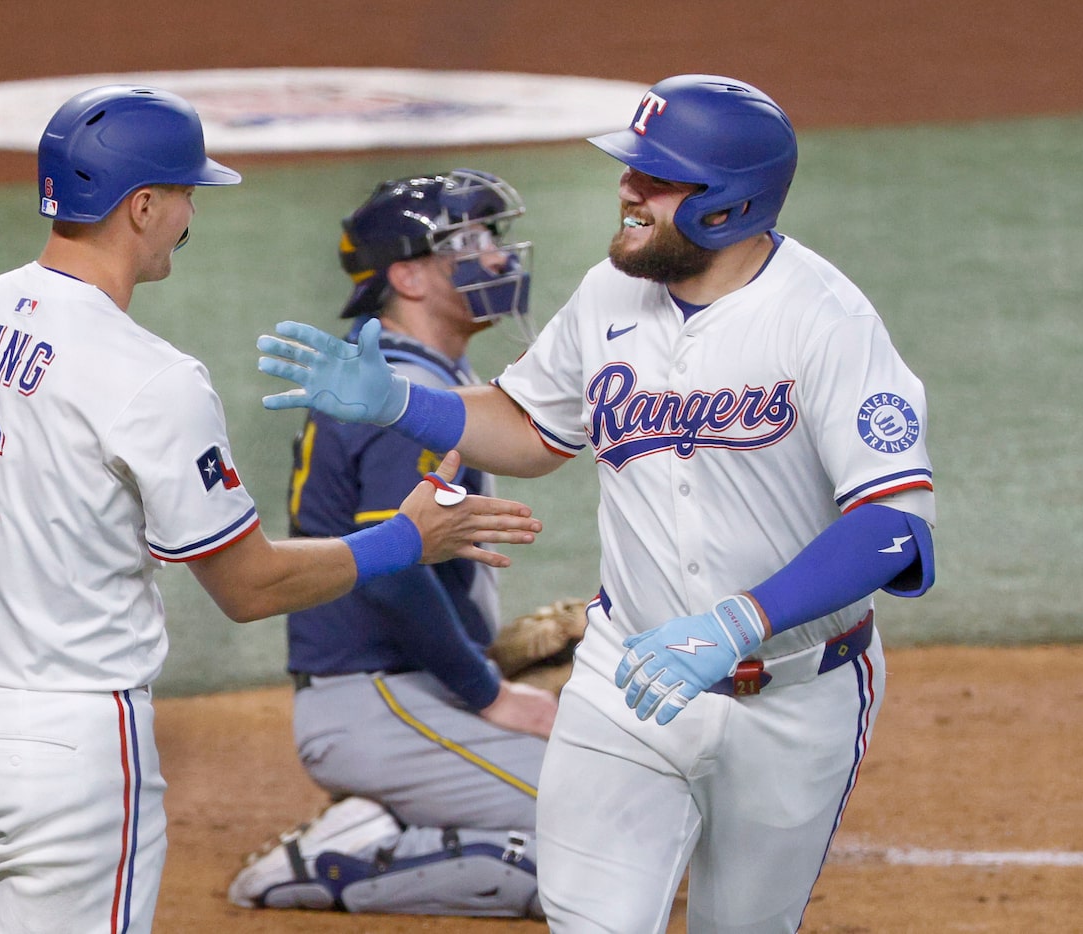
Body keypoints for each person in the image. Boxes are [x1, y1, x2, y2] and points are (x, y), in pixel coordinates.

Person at [257, 73, 936, 932]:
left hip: (797, 694)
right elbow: (530, 429)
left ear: (725, 204)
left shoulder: (824, 321)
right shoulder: (608, 295)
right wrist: (403, 402)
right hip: (625, 680)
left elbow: (893, 527)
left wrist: (739, 622)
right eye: (630, 171)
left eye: (654, 179)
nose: (627, 188)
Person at [0, 85, 541, 934]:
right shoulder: (147, 376)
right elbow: (249, 586)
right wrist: (402, 543)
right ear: (145, 205)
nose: (193, 211)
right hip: (66, 747)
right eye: (188, 192)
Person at [225, 168, 555, 919]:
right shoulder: (398, 389)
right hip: (374, 699)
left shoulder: (422, 377)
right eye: (468, 242)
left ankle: (397, 821)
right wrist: (490, 691)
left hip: (403, 691)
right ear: (406, 275)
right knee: (617, 837)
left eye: (492, 239)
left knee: (641, 809)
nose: (498, 258)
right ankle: (339, 859)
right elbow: (390, 570)